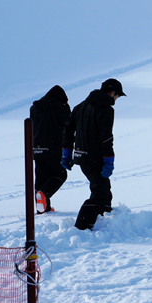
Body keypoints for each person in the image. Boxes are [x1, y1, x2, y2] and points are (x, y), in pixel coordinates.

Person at [63, 78, 126, 230]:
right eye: (117, 96)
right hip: (95, 158)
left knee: (103, 191)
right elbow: (106, 137)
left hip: (81, 157)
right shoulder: (105, 109)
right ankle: (81, 228)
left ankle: (104, 222)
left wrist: (67, 153)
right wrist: (109, 161)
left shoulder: (81, 106)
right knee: (100, 195)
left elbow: (68, 129)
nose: (116, 100)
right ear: (111, 93)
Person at [30, 85, 71, 213]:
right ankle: (44, 193)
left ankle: (42, 208)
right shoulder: (59, 107)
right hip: (54, 147)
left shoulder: (34, 108)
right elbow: (69, 124)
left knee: (41, 176)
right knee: (60, 174)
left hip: (36, 148)